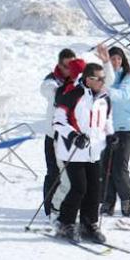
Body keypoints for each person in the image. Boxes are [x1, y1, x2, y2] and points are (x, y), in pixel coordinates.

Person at [53, 61, 113, 244]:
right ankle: (65, 223)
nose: (103, 81)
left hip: (94, 151)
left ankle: (89, 223)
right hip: (73, 150)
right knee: (79, 187)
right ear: (88, 79)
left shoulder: (105, 98)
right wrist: (74, 136)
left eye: (104, 78)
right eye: (99, 78)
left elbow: (107, 119)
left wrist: (110, 135)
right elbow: (58, 122)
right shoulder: (73, 95)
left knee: (95, 189)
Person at [40, 48, 85, 216]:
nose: (70, 69)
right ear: (60, 65)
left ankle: (67, 207)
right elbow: (50, 92)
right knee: (53, 172)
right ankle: (49, 208)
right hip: (53, 134)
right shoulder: (52, 80)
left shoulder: (79, 81)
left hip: (73, 136)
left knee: (73, 174)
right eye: (67, 66)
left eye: (73, 65)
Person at [100, 45, 130, 218]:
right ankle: (108, 201)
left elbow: (123, 95)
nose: (115, 62)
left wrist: (104, 89)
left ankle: (126, 197)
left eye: (118, 59)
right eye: (112, 58)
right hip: (106, 128)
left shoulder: (128, 77)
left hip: (125, 128)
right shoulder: (105, 76)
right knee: (105, 165)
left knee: (119, 167)